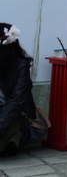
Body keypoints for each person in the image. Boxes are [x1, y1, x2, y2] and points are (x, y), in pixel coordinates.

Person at [0, 24, 38, 157]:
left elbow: (17, 101)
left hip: (12, 114)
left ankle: (10, 142)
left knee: (10, 124)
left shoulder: (21, 64)